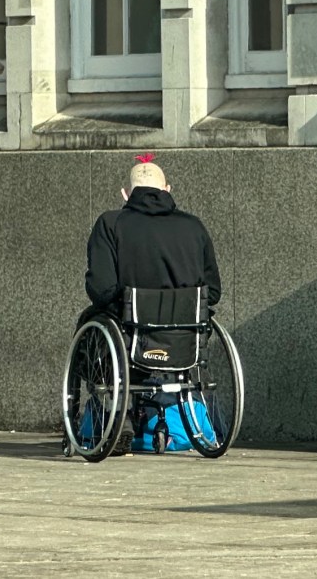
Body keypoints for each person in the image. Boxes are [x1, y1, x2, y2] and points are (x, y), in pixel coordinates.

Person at [81, 153, 222, 451]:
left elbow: (101, 289)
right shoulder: (193, 226)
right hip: (185, 339)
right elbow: (213, 292)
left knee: (91, 322)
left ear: (126, 194)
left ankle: (114, 411)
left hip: (130, 337)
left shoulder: (111, 223)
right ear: (168, 190)